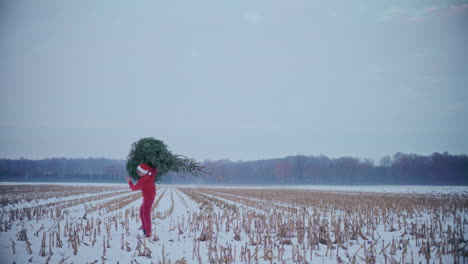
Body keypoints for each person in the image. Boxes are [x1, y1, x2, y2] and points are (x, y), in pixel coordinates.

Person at [126, 163, 157, 238]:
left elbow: (134, 188)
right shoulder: (150, 174)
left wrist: (129, 181)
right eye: (138, 172)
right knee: (142, 211)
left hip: (148, 198)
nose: (138, 173)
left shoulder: (143, 180)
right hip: (150, 196)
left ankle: (148, 232)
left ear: (144, 172)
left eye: (139, 172)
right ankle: (144, 228)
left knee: (146, 213)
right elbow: (154, 171)